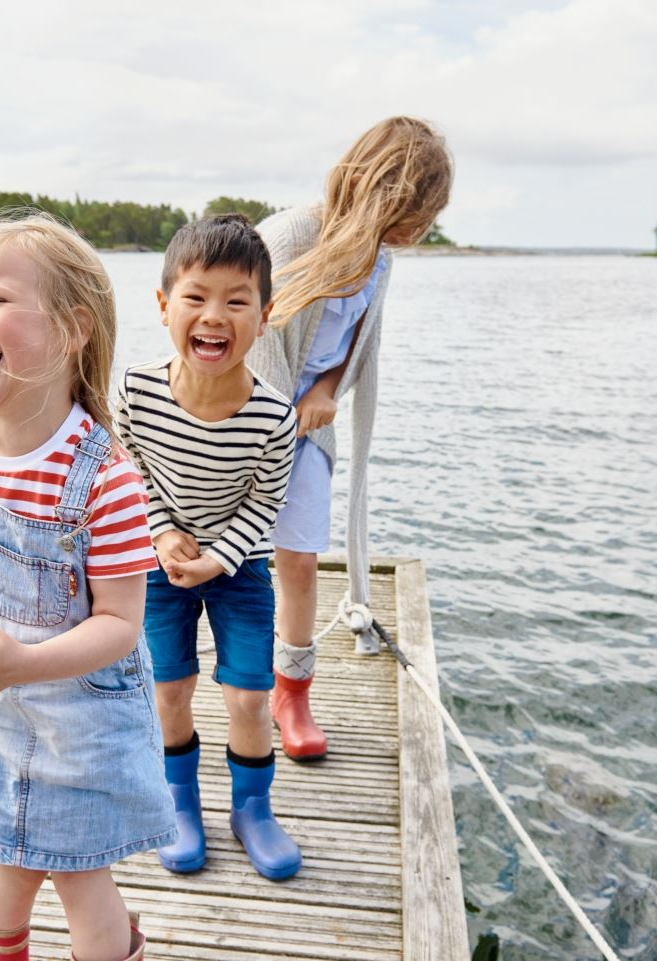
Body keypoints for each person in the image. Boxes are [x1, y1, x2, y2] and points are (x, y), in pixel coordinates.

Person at [0, 211, 175, 961]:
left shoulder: (106, 478)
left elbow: (121, 624)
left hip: (84, 723)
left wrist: (21, 662)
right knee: (6, 867)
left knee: (82, 877)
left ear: (72, 327)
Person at [250, 116, 453, 761]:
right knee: (222, 562)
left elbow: (356, 343)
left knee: (301, 561)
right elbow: (243, 331)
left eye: (424, 221)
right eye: (408, 215)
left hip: (309, 426)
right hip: (243, 418)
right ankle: (215, 682)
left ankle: (292, 690)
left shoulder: (380, 262)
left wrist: (325, 392)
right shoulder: (288, 237)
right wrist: (274, 416)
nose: (414, 233)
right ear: (372, 188)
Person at [116, 214, 302, 880]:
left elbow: (265, 503)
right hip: (161, 563)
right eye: (195, 297)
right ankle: (179, 800)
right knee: (170, 687)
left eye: (236, 299)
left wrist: (219, 557)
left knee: (250, 695)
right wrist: (164, 533)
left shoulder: (274, 416)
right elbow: (129, 464)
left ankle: (252, 809)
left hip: (239, 567)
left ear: (266, 312)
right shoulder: (137, 390)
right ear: (165, 305)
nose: (213, 316)